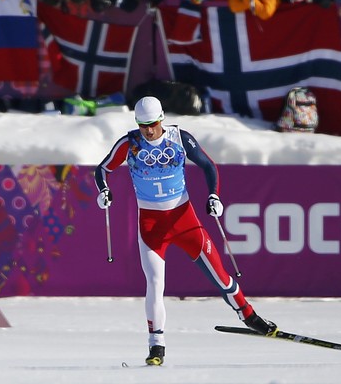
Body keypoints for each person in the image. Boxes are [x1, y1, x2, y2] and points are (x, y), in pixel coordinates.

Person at [94, 96, 276, 366]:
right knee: (155, 285)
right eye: (143, 125)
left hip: (184, 220)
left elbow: (208, 165)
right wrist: (104, 191)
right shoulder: (129, 143)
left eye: (153, 123)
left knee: (222, 278)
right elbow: (103, 168)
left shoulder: (180, 138)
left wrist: (214, 196)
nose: (149, 130)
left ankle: (249, 317)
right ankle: (156, 346)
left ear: (162, 118)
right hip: (152, 226)